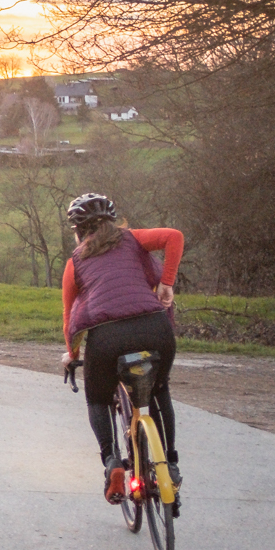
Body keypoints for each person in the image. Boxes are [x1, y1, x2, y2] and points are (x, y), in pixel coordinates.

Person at [59, 193, 185, 504]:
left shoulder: (75, 262)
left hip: (107, 338)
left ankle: (112, 463)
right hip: (155, 328)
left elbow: (69, 316)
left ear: (77, 231)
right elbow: (174, 237)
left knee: (98, 400)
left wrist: (72, 355)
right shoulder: (133, 240)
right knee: (159, 390)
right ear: (112, 222)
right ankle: (169, 463)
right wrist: (166, 283)